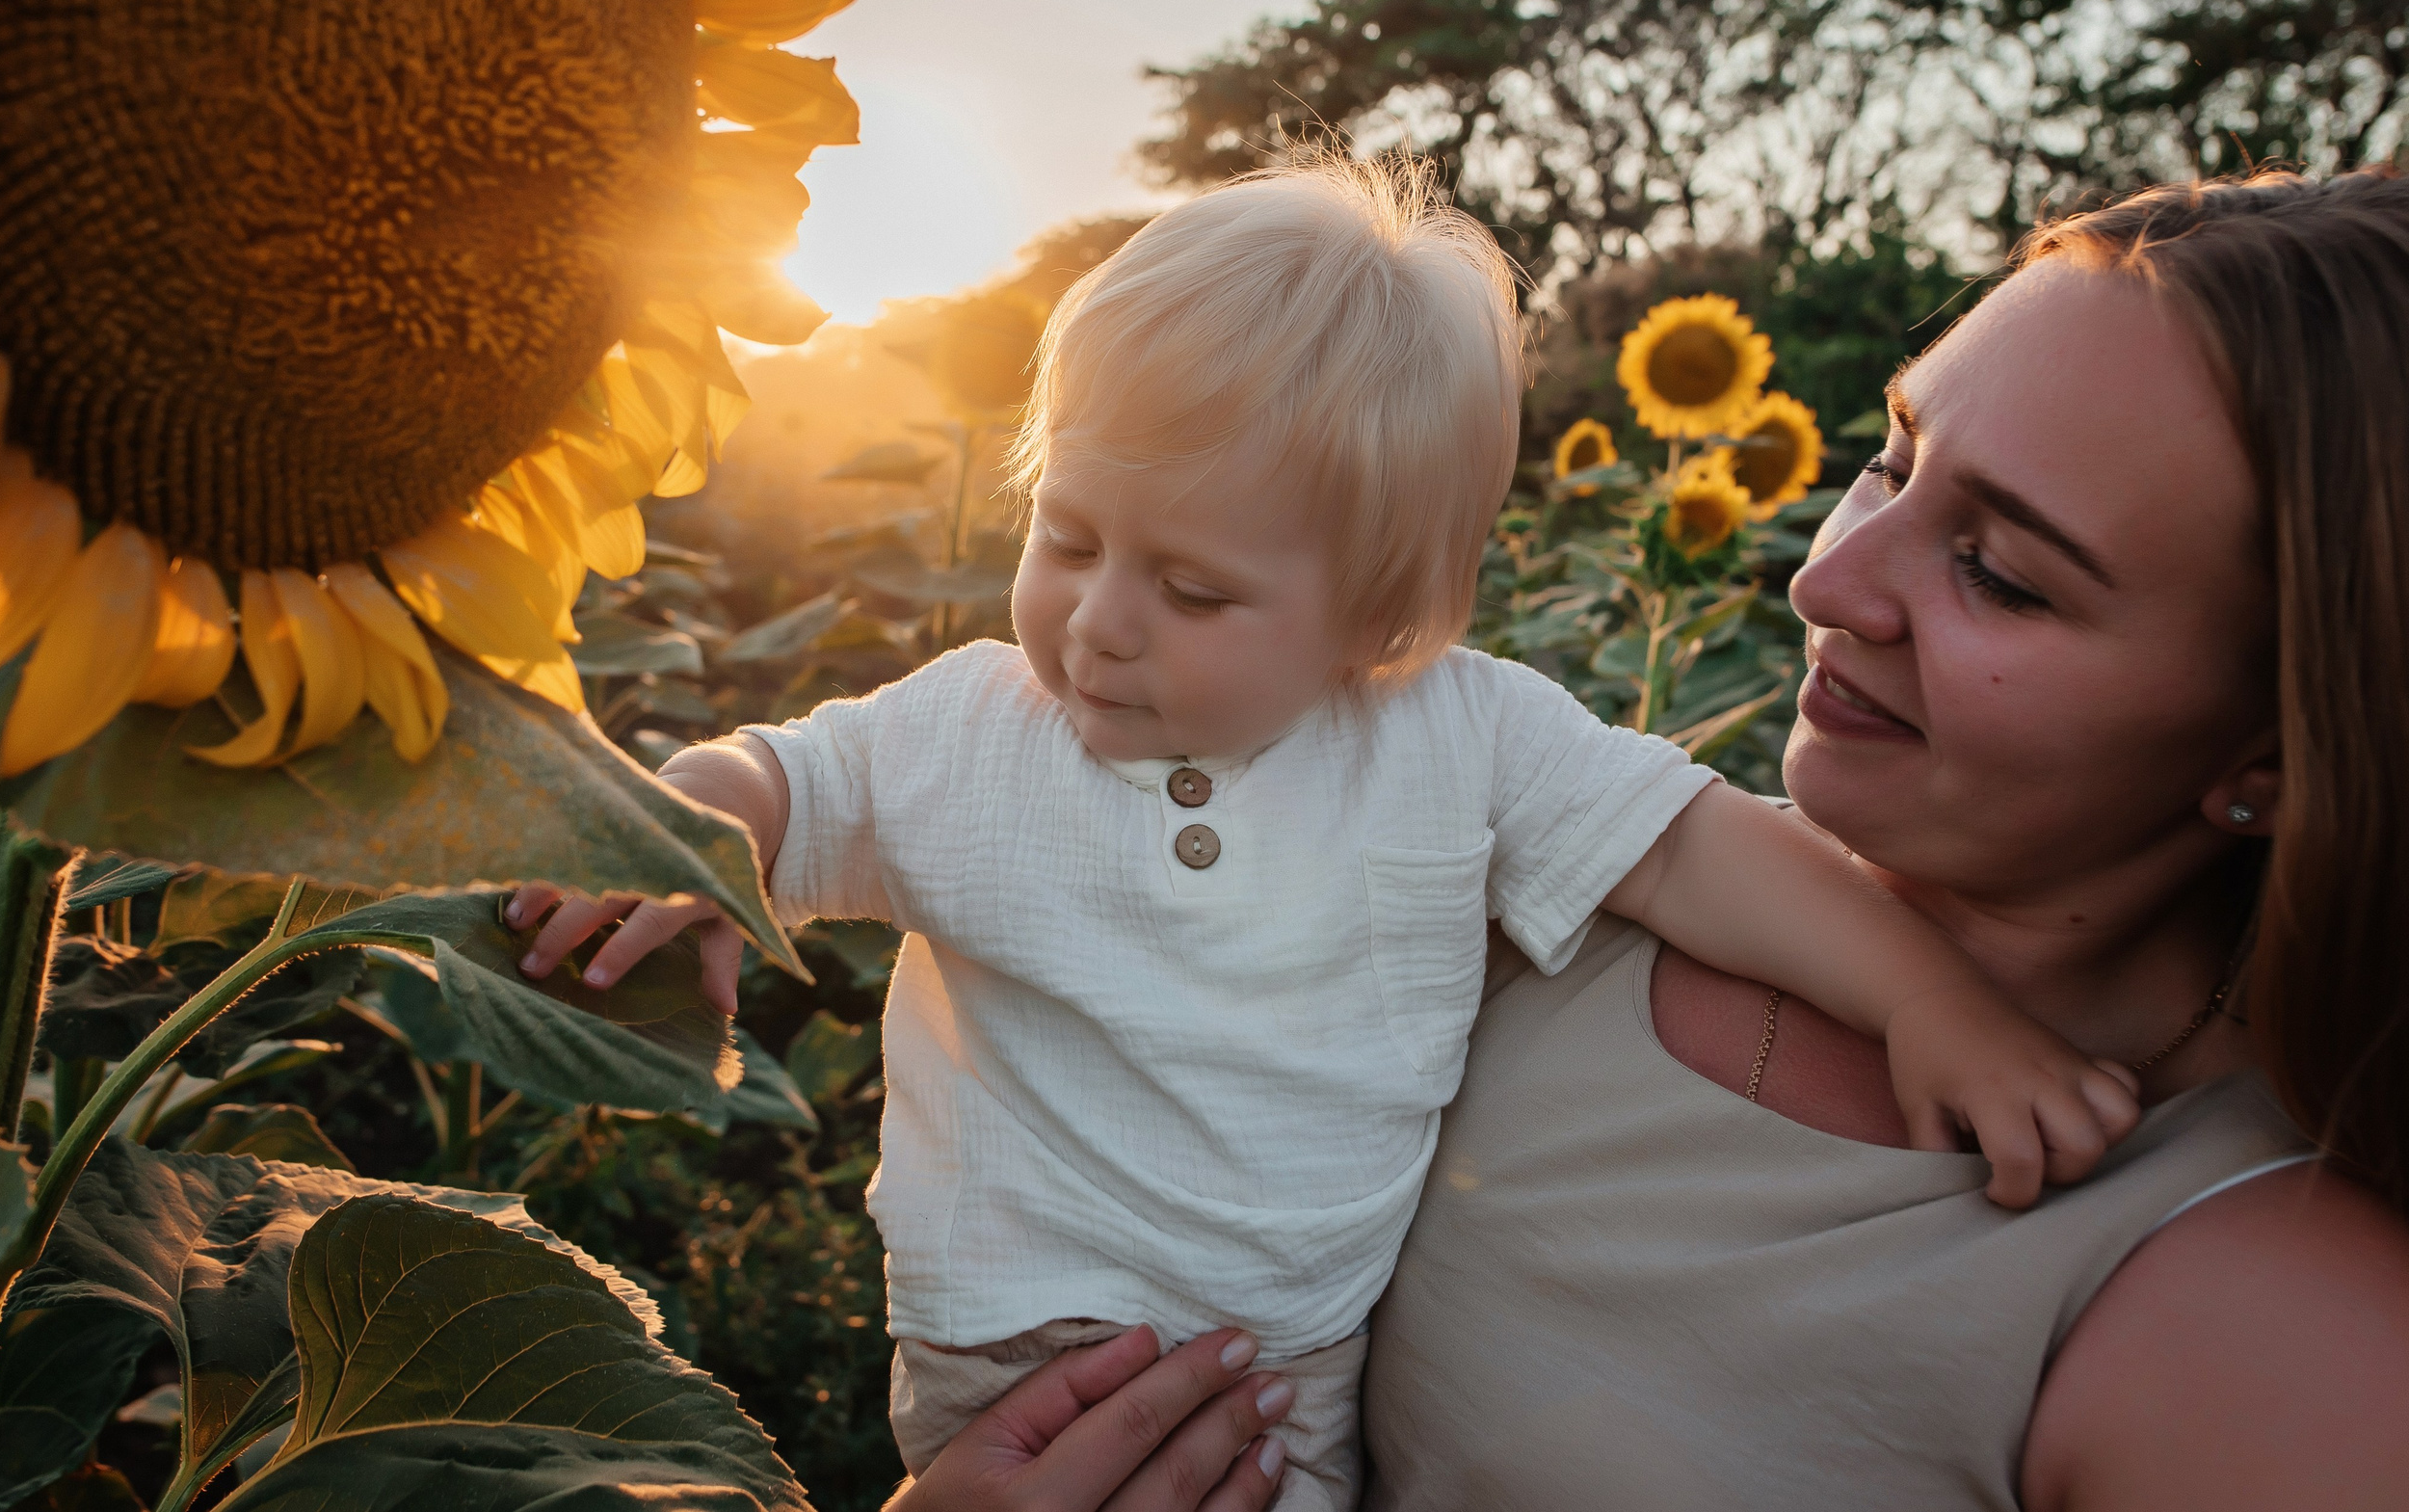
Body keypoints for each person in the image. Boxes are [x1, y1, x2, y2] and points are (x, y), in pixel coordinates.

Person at [506, 161, 2140, 1510]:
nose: (1098, 625)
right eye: (1067, 534)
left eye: (1195, 587)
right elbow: (801, 780)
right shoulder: (975, 727)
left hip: (1300, 1380)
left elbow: (1694, 848)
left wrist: (1927, 1000)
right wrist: (697, 821)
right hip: (1021, 1365)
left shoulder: (1464, 735)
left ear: (1380, 619)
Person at [881, 169, 2409, 1512]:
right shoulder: (1536, 871)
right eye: (1889, 456)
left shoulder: (2267, 1314)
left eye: (2001, 573)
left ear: (2274, 748)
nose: (1828, 578)